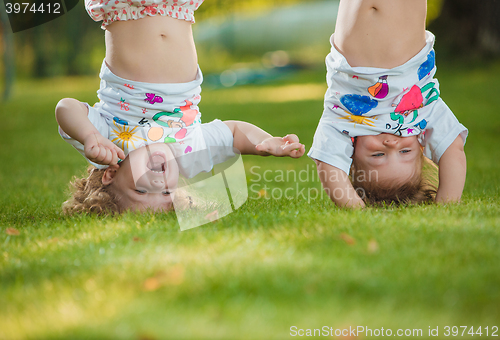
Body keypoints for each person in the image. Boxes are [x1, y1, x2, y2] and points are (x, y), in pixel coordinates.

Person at [56, 0, 305, 214]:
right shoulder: (187, 156)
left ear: (110, 175)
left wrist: (90, 136)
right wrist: (266, 142)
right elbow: (234, 134)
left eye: (141, 190)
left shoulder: (110, 146)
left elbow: (65, 108)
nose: (158, 181)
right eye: (167, 191)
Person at [308, 0, 467, 208]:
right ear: (421, 146)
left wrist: (357, 208)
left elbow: (327, 164)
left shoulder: (342, 120)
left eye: (378, 155)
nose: (392, 145)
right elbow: (453, 149)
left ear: (351, 154)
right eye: (405, 152)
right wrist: (446, 205)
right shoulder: (422, 113)